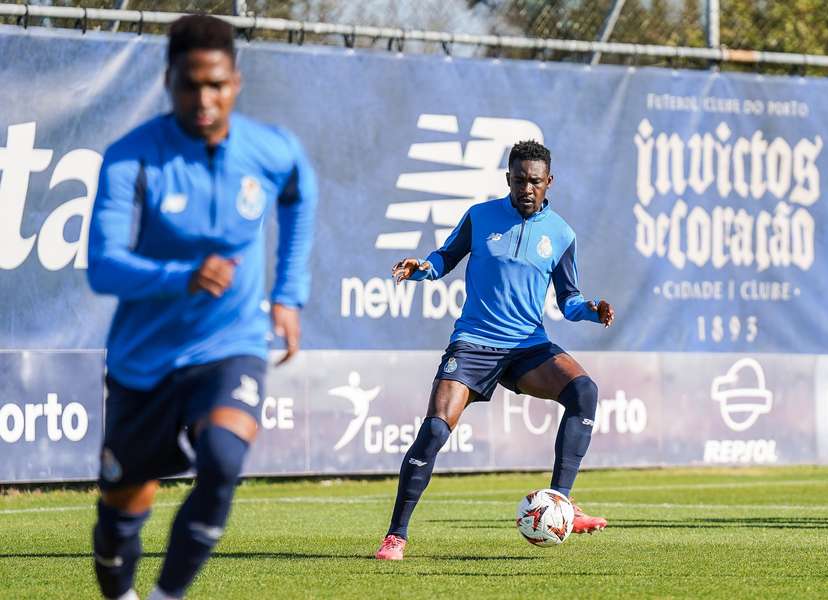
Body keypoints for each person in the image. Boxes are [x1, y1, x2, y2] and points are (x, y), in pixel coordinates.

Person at [87, 14, 317, 599]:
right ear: (170, 83)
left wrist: (288, 294)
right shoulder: (131, 157)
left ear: (235, 82)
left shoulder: (270, 150)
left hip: (230, 346)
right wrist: (181, 275)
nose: (204, 98)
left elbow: (300, 193)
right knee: (120, 519)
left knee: (222, 457)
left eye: (216, 84)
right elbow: (103, 265)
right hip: (144, 360)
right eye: (191, 85)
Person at [376, 140, 614, 560]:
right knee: (433, 431)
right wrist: (422, 269)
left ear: (549, 183)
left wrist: (592, 311)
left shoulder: (561, 233)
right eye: (519, 180)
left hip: (527, 346)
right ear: (508, 178)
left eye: (535, 182)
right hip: (473, 343)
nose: (526, 188)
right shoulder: (480, 217)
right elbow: (445, 257)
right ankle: (396, 536)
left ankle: (559, 502)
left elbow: (569, 300)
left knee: (585, 392)